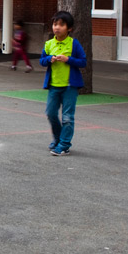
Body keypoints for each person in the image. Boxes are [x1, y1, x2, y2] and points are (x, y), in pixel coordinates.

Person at [40, 11, 87, 157]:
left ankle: (64, 145)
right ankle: (58, 139)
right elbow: (41, 61)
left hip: (69, 86)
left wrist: (69, 60)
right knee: (51, 114)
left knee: (67, 117)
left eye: (61, 25)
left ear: (69, 28)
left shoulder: (74, 44)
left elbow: (83, 62)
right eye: (55, 24)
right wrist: (49, 59)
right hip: (54, 86)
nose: (57, 28)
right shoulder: (49, 44)